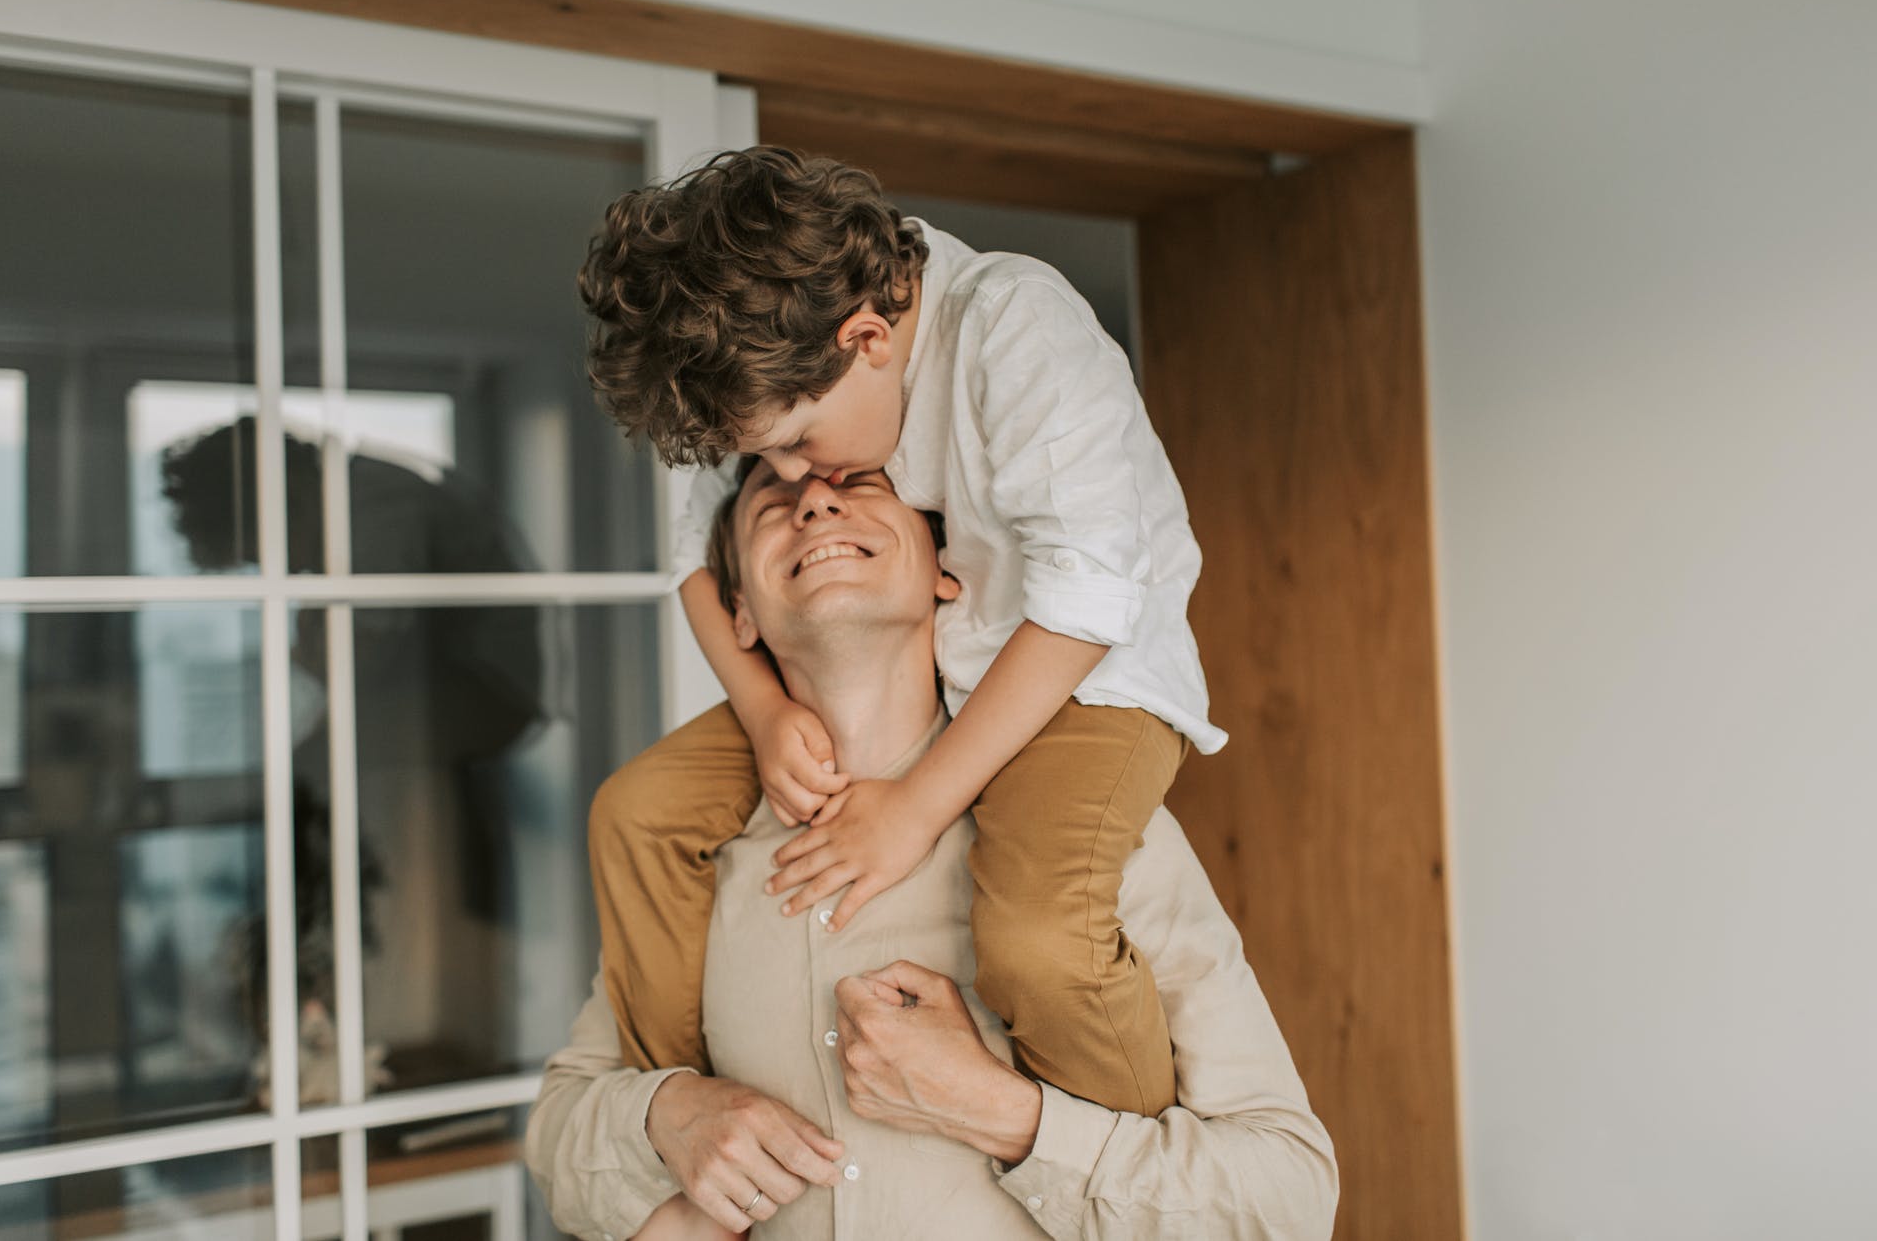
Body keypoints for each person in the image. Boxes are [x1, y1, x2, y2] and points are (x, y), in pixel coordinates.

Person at [579, 147, 1226, 1117]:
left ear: (867, 338)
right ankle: (693, 1118)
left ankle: (1105, 1175)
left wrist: (916, 805)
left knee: (1040, 937)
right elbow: (688, 559)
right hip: (922, 668)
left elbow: (1091, 600)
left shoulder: (1016, 328)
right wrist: (759, 710)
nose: (793, 480)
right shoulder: (775, 365)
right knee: (637, 813)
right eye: (762, 459)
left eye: (794, 443)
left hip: (1085, 682)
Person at [526, 463, 1335, 1238]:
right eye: (773, 499)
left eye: (862, 484)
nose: (813, 502)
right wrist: (670, 1116)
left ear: (948, 572)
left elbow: (1291, 1196)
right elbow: (558, 1131)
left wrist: (995, 1108)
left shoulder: (1087, 839)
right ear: (739, 613)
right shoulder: (692, 865)